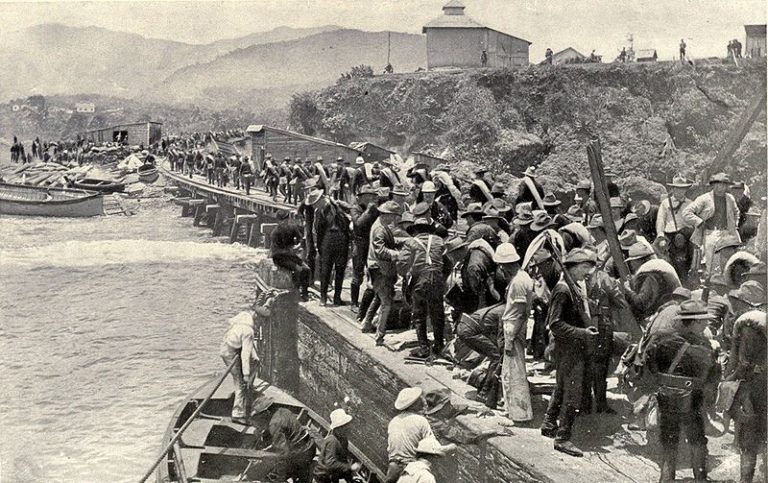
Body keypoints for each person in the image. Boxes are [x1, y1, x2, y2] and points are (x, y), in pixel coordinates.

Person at [643, 300, 719, 482]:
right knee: (697, 441)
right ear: (692, 322)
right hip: (692, 400)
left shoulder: (660, 340)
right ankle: (700, 478)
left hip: (666, 397)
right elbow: (711, 378)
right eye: (703, 321)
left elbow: (650, 367)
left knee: (669, 439)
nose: (706, 324)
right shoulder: (705, 347)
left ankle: (666, 478)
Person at [541, 247, 600, 457]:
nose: (588, 272)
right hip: (569, 348)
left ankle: (549, 423)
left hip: (571, 346)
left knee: (562, 385)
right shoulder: (563, 290)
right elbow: (555, 324)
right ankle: (563, 438)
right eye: (585, 267)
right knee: (573, 392)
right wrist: (583, 332)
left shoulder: (572, 287)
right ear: (573, 268)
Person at [723, 310, 766, 483]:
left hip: (753, 390)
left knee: (750, 440)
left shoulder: (742, 333)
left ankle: (746, 479)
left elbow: (734, 362)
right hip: (753, 390)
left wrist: (728, 378)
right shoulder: (750, 359)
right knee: (751, 439)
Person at [497, 243, 535, 422]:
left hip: (514, 325)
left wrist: (510, 340)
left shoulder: (518, 282)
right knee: (510, 370)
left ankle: (520, 414)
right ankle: (512, 409)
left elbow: (520, 312)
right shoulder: (523, 277)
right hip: (514, 324)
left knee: (515, 372)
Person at [398, 217, 446, 357]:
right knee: (437, 313)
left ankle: (423, 348)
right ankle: (439, 345)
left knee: (419, 314)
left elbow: (402, 264)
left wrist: (406, 274)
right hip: (437, 278)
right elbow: (447, 261)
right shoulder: (439, 241)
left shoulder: (411, 243)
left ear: (416, 230)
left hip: (420, 280)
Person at [683, 172, 740, 277]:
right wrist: (699, 222)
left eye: (723, 185)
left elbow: (736, 212)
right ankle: (709, 285)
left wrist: (734, 225)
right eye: (717, 184)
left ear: (726, 186)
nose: (720, 188)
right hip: (710, 233)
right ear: (713, 185)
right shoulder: (704, 198)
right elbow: (686, 212)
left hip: (726, 233)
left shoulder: (730, 198)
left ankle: (724, 285)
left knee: (727, 263)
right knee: (710, 263)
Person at [362, 201, 402, 345]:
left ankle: (366, 323)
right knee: (387, 303)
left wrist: (403, 241)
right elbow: (380, 250)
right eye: (394, 216)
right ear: (388, 215)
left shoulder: (381, 225)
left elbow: (388, 242)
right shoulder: (380, 229)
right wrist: (397, 255)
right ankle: (380, 335)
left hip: (377, 267)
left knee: (379, 297)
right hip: (380, 268)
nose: (395, 219)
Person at [219, 309, 261, 424]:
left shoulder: (244, 316)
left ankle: (249, 388)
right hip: (229, 352)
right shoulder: (248, 331)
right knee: (240, 382)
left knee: (256, 360)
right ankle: (237, 414)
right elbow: (245, 355)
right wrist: (246, 374)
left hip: (231, 345)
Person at [385, 387, 435, 482]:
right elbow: (431, 446)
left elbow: (390, 447)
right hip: (410, 469)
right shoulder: (421, 421)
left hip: (393, 467)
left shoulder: (394, 421)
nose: (423, 402)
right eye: (419, 401)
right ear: (412, 405)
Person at [311, 189, 352, 306]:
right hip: (341, 240)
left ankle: (325, 298)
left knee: (328, 269)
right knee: (337, 270)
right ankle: (335, 298)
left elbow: (318, 230)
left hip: (329, 240)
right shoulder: (335, 207)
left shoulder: (323, 210)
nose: (314, 206)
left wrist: (319, 247)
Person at [261, 405, 317, 483]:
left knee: (271, 478)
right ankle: (303, 473)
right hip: (311, 447)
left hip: (300, 454)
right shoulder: (282, 410)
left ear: (263, 414)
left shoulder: (274, 425)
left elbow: (283, 452)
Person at [656, 175, 695, 283]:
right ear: (673, 189)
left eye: (682, 188)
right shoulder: (666, 203)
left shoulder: (690, 203)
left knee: (688, 257)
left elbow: (695, 221)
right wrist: (661, 235)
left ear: (686, 189)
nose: (679, 191)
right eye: (677, 188)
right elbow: (660, 220)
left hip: (686, 234)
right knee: (669, 259)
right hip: (670, 234)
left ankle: (687, 278)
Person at [313, 409, 362, 483]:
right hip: (322, 477)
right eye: (345, 426)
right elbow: (329, 463)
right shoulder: (332, 441)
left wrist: (350, 478)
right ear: (338, 428)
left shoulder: (344, 440)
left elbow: (343, 459)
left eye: (348, 425)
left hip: (333, 475)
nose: (348, 428)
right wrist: (350, 467)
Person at [350, 186, 380, 308]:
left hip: (372, 242)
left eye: (372, 196)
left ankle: (369, 302)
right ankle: (353, 302)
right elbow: (358, 224)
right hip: (360, 243)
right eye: (368, 197)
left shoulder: (376, 210)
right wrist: (368, 211)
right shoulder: (355, 209)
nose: (370, 199)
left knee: (373, 271)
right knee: (357, 272)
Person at [271, 211, 311, 301]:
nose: (285, 222)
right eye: (283, 220)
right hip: (280, 258)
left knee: (307, 269)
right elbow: (276, 251)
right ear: (278, 221)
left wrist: (299, 244)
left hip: (290, 255)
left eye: (286, 219)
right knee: (299, 269)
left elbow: (300, 238)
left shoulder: (292, 228)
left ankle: (304, 293)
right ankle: (295, 292)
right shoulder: (275, 233)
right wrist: (291, 250)